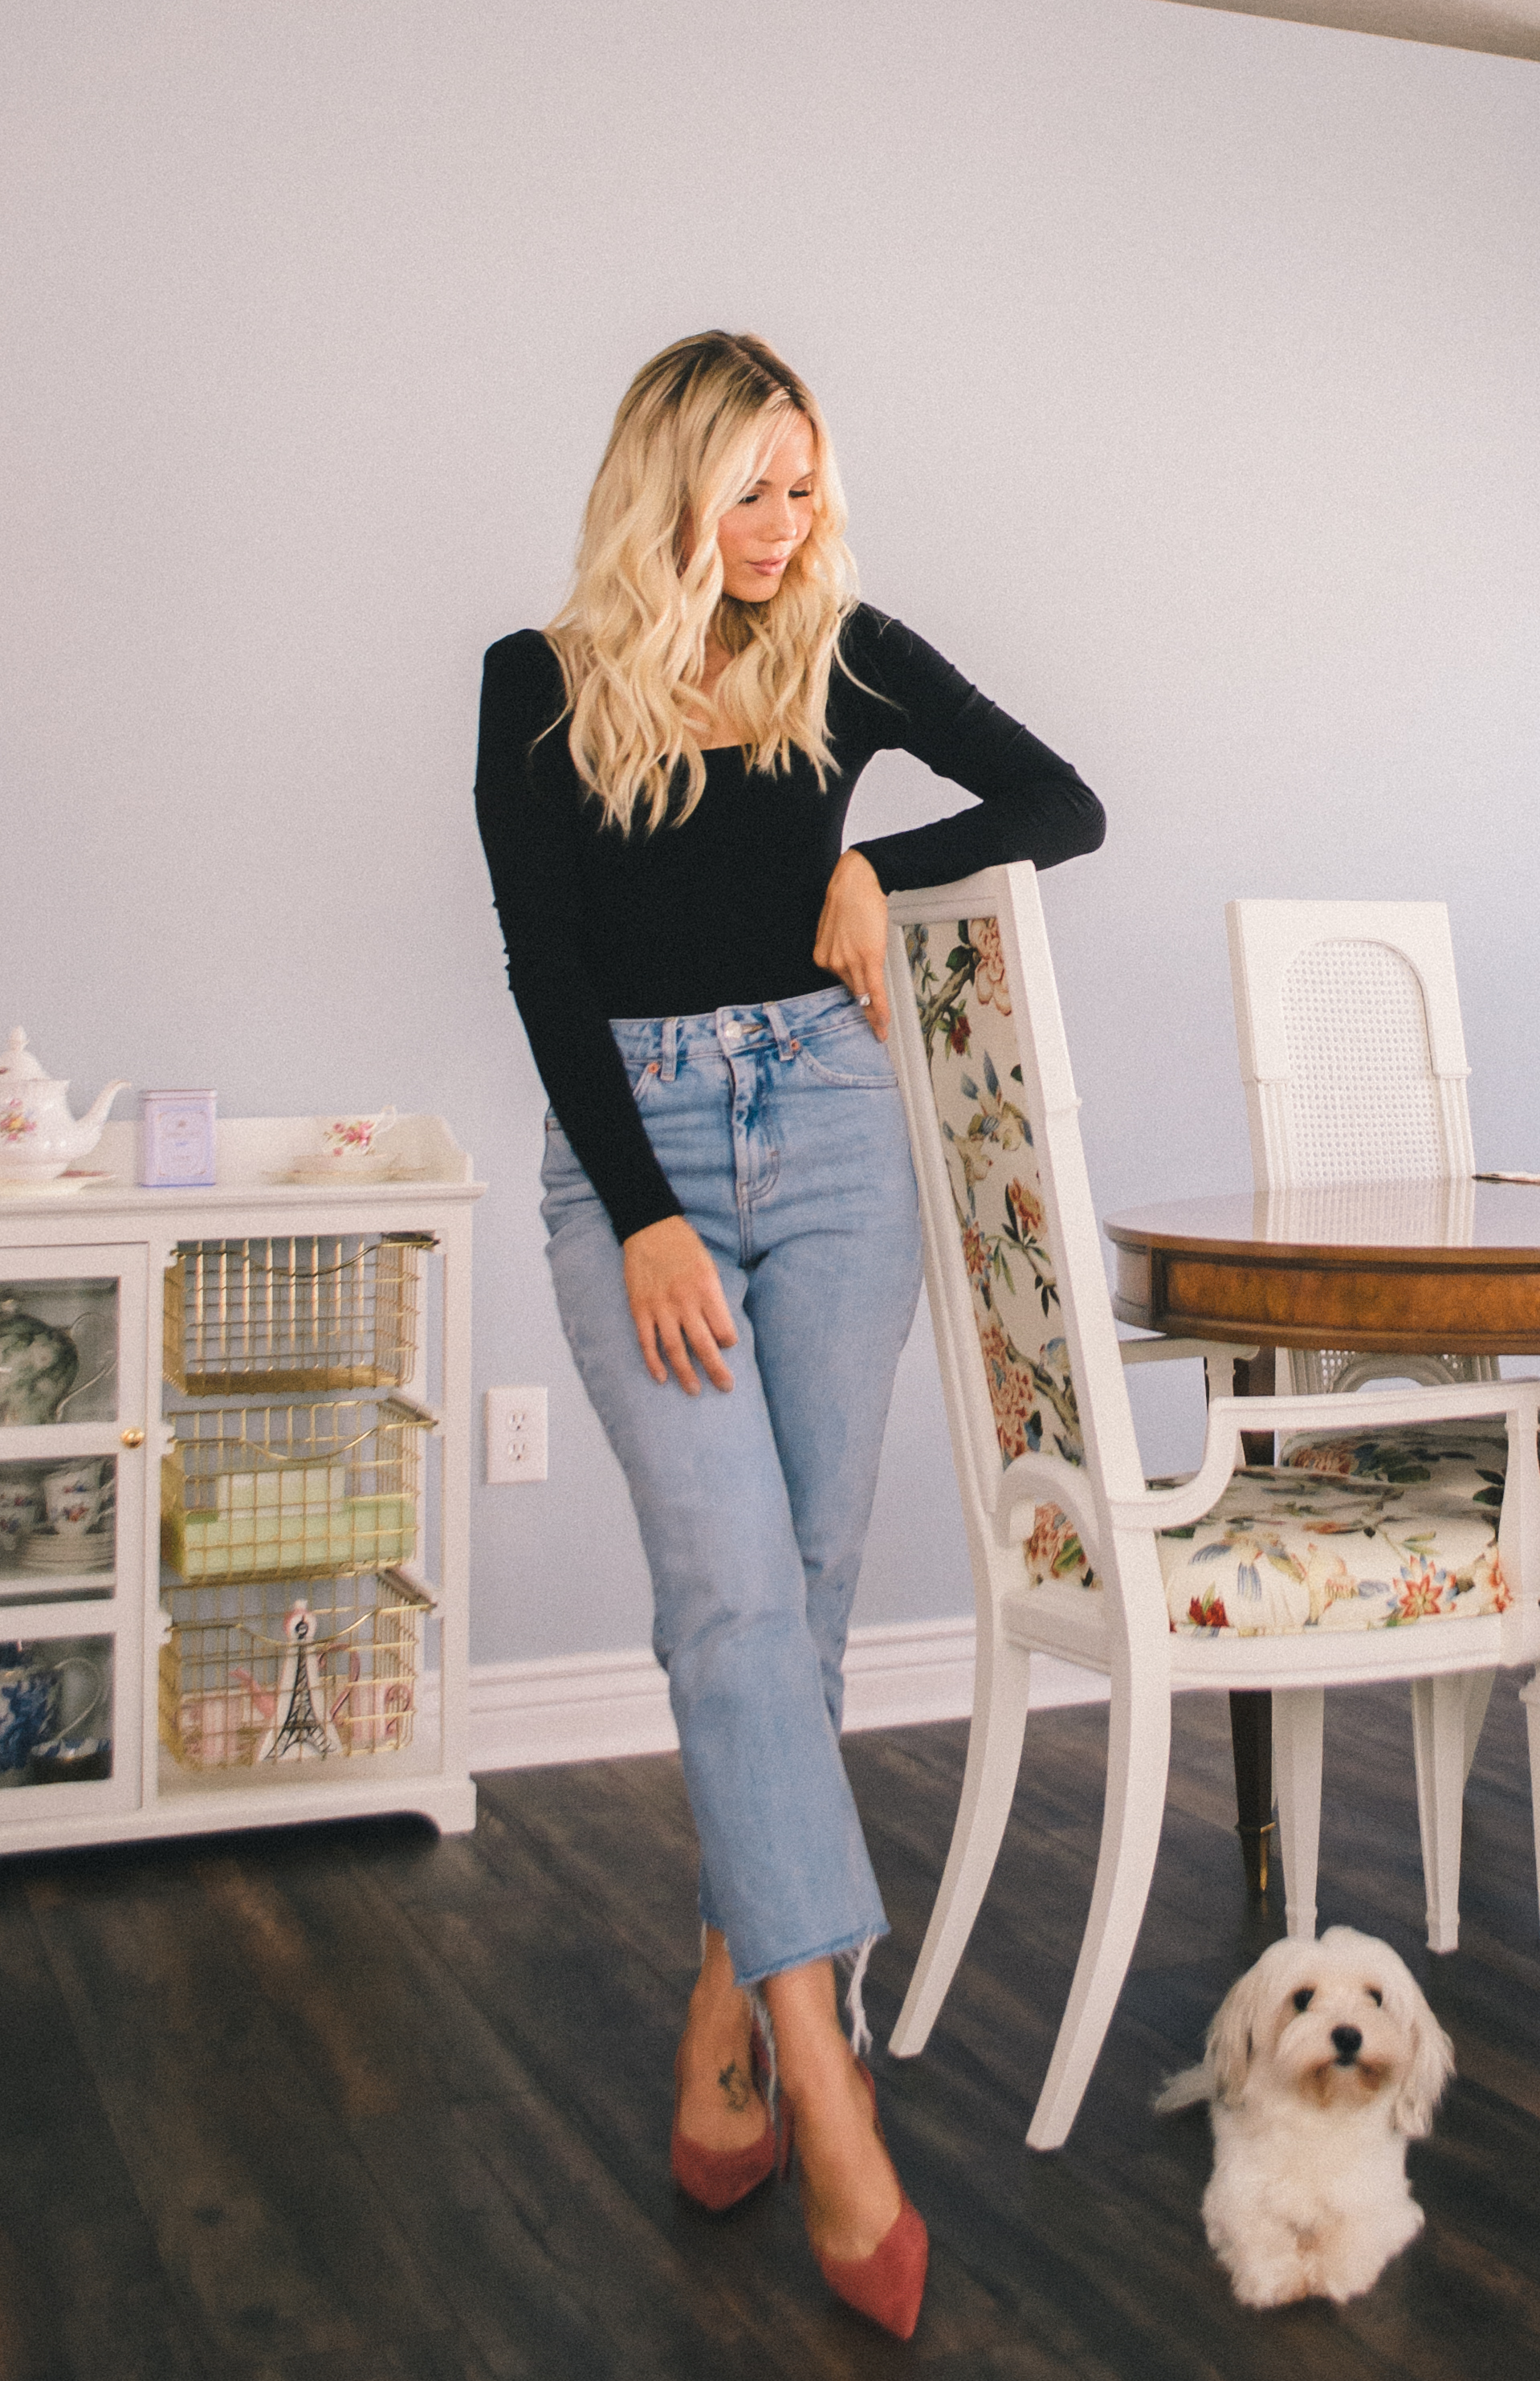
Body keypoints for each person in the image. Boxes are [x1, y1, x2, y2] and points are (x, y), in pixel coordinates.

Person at [474, 329, 1104, 2341]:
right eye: (745, 487)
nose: (779, 524)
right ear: (661, 487)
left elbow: (1060, 799)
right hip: (636, 1146)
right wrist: (645, 1210)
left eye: (804, 482)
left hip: (836, 1129)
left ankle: (727, 1993)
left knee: (810, 1591)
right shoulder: (538, 680)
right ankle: (824, 2078)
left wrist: (870, 862)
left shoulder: (846, 645)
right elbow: (543, 967)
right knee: (732, 1598)